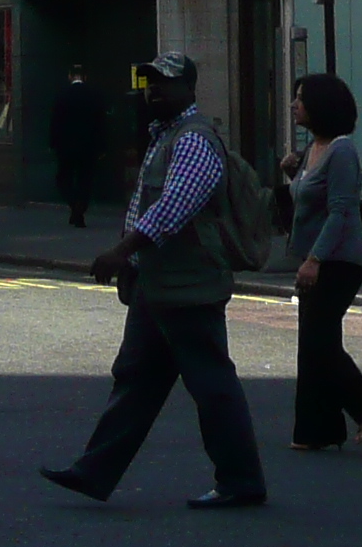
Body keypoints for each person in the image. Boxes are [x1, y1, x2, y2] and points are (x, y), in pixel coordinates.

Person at [44, 52, 266, 509]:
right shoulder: (163, 137)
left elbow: (173, 209)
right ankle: (94, 471)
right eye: (149, 83)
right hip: (160, 285)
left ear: (189, 89)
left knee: (211, 384)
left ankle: (242, 480)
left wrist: (122, 251)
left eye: (164, 83)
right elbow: (148, 208)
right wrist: (133, 262)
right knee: (136, 380)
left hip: (189, 285)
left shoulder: (192, 141)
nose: (154, 91)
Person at [283, 73, 362, 452]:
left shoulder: (343, 151)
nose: (295, 104)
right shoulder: (314, 148)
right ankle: (316, 431)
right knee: (312, 343)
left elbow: (340, 211)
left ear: (321, 106)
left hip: (339, 260)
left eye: (301, 99)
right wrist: (291, 173)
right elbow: (307, 198)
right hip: (316, 259)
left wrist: (314, 260)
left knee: (317, 342)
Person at [48, 61, 106, 228]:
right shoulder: (94, 95)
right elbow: (100, 122)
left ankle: (74, 205)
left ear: (70, 76)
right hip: (88, 147)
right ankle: (80, 208)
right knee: (85, 180)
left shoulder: (62, 94)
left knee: (63, 178)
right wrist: (101, 145)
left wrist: (53, 142)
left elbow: (55, 122)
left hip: (66, 147)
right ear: (85, 77)